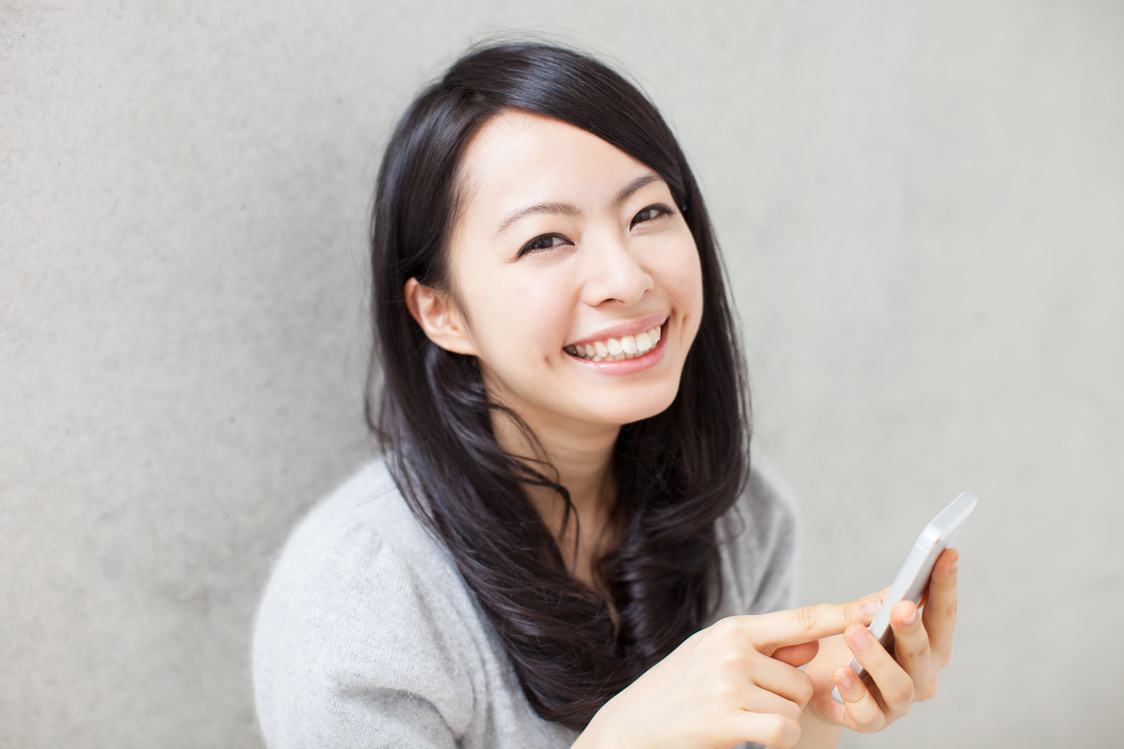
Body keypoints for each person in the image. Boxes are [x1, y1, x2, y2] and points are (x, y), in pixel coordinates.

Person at [252, 41, 959, 749]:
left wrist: (813, 709)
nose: (626, 277)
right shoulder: (360, 594)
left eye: (647, 214)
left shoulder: (743, 517)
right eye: (545, 240)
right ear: (442, 312)